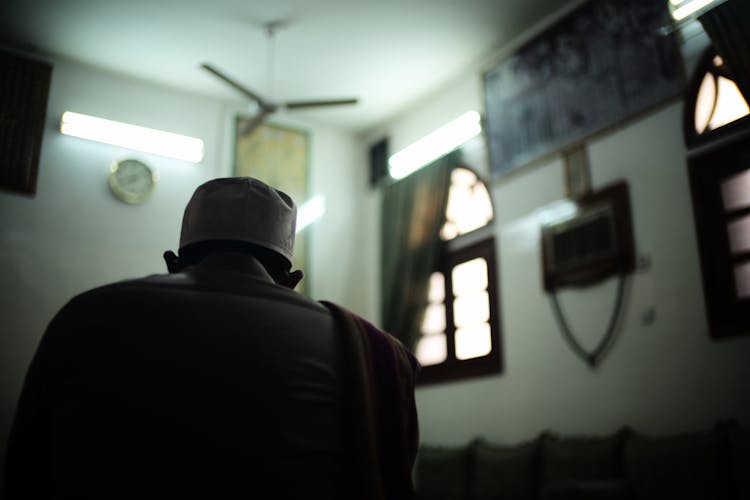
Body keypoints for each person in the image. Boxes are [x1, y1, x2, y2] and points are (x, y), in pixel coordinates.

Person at [4, 177, 419, 499]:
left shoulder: (86, 315)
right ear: (292, 280)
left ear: (172, 263)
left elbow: (25, 469)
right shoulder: (376, 353)